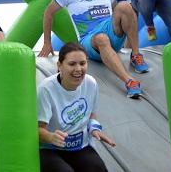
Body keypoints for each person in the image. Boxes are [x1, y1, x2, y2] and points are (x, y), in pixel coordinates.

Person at [39, 0, 148, 99]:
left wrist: (128, 20)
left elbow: (118, 11)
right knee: (101, 38)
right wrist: (47, 42)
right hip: (89, 39)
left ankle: (136, 55)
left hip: (111, 31)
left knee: (125, 6)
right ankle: (130, 82)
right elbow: (48, 12)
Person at [37, 42, 115, 172]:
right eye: (72, 64)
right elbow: (38, 130)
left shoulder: (91, 83)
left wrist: (94, 129)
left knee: (98, 168)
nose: (78, 69)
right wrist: (51, 137)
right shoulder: (46, 89)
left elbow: (91, 115)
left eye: (82, 63)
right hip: (50, 149)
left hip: (79, 147)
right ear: (60, 65)